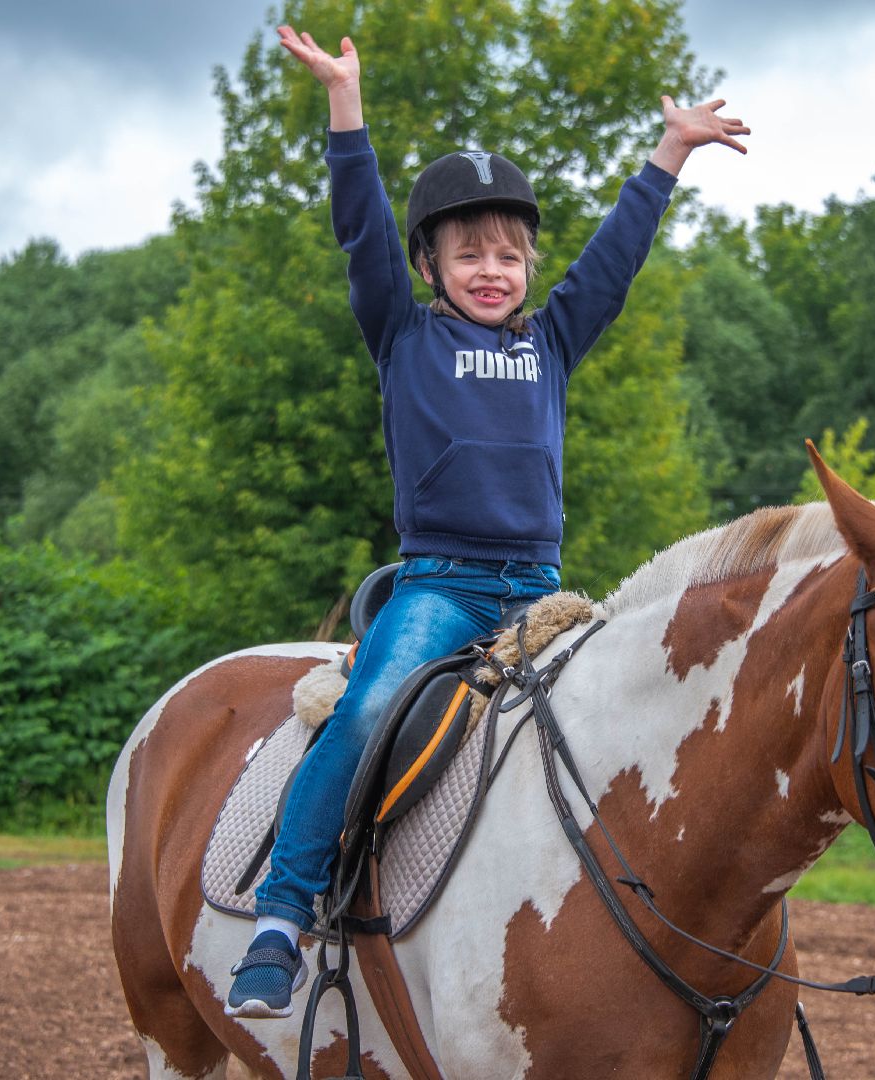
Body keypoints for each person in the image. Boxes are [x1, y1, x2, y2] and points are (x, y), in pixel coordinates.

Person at [225, 23, 750, 1018]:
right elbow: (360, 232)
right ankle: (281, 915)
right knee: (370, 709)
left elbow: (613, 261)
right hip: (442, 586)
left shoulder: (550, 342)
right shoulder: (404, 336)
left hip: (543, 596)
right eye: (468, 254)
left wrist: (668, 152)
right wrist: (346, 106)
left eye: (509, 255)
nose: (492, 268)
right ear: (428, 267)